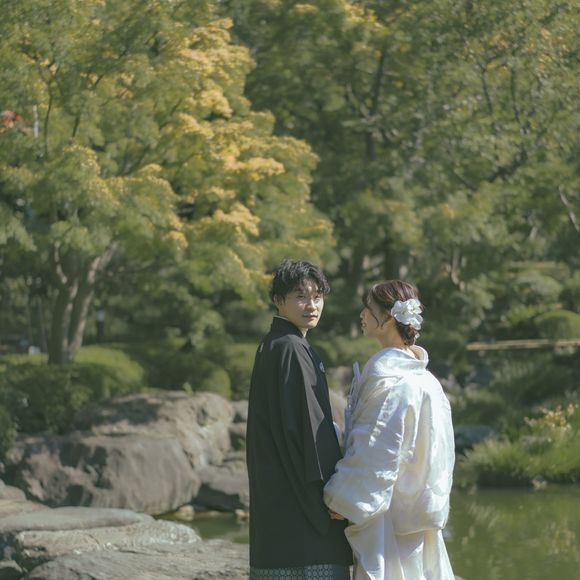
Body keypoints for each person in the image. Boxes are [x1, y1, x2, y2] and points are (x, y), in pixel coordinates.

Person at [324, 280, 455, 580]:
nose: (362, 315)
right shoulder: (425, 379)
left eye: (368, 308)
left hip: (389, 514)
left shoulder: (391, 379)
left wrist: (347, 499)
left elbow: (377, 447)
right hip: (414, 504)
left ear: (387, 318)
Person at [246, 259, 353, 579]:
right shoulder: (291, 348)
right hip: (300, 509)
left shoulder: (276, 343)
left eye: (317, 297)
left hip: (277, 496)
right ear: (278, 300)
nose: (312, 305)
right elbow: (309, 431)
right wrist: (333, 494)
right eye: (300, 296)